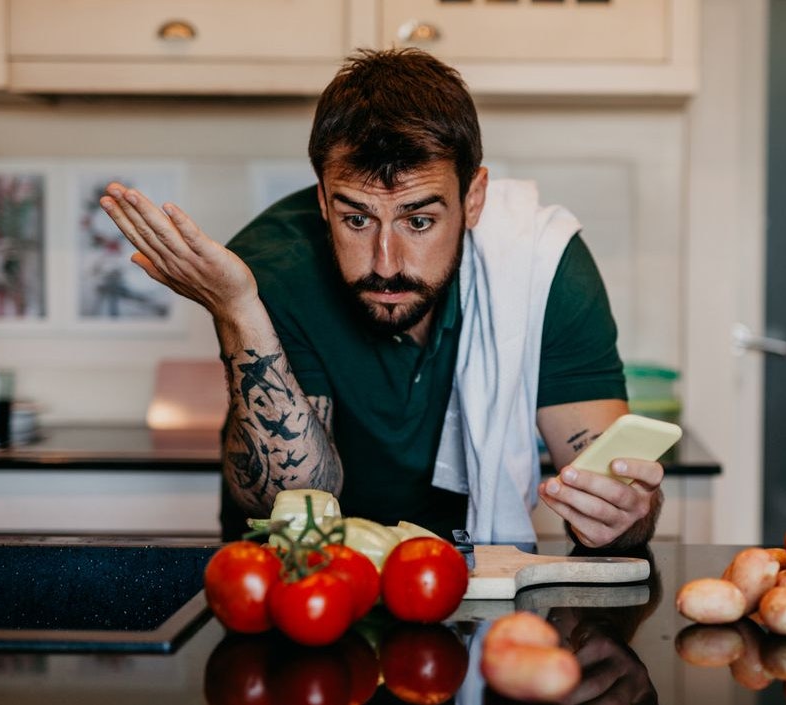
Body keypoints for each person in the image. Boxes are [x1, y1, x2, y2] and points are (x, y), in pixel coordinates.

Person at [98, 48, 664, 549]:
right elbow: (287, 505)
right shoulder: (270, 268)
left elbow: (610, 481)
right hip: (302, 587)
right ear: (322, 201)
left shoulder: (544, 266)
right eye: (356, 218)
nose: (386, 262)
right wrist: (236, 310)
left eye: (419, 220)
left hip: (469, 581)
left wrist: (626, 513)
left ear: (474, 198)